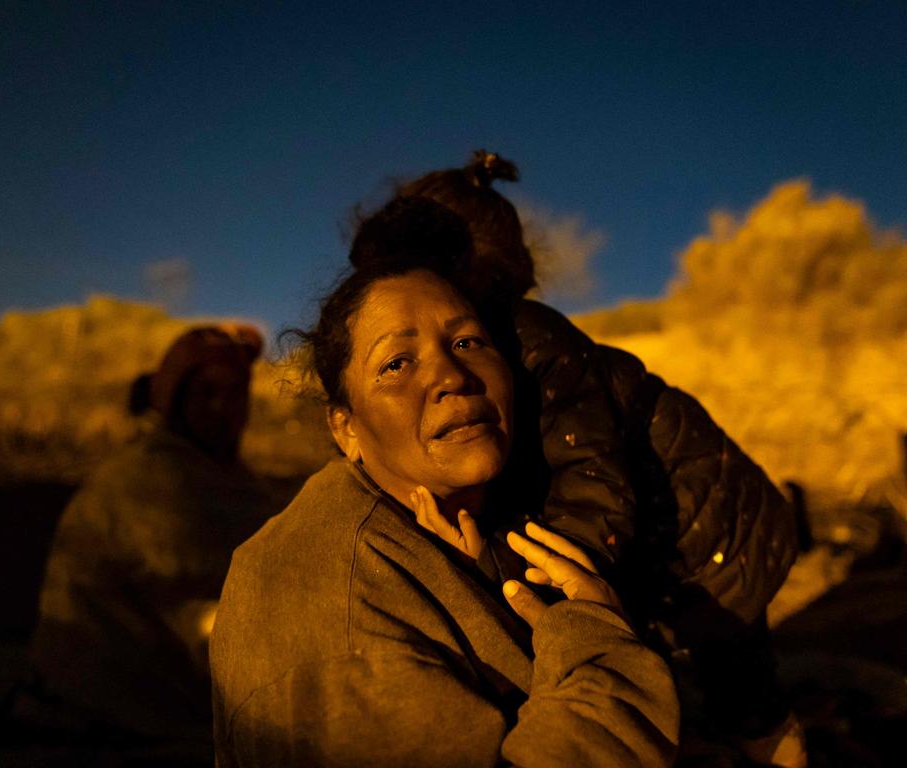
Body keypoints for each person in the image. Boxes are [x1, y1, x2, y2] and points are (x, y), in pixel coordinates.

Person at [210, 205, 680, 767]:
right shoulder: (320, 599)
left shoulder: (464, 521)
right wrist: (596, 638)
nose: (451, 378)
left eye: (466, 343)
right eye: (396, 364)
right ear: (346, 427)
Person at [377, 151, 805, 766]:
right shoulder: (483, 354)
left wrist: (517, 589)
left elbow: (592, 489)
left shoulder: (529, 342)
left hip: (712, 542)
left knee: (741, 690)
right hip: (665, 548)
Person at [31, 324, 276, 761]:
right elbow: (207, 603)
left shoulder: (222, 473)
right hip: (121, 711)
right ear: (175, 402)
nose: (225, 407)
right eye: (206, 393)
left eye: (236, 392)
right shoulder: (146, 481)